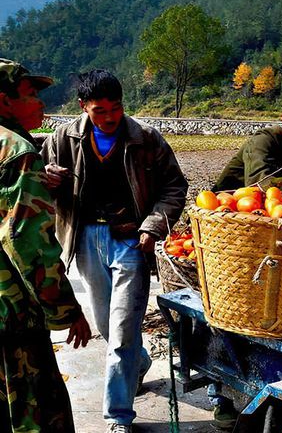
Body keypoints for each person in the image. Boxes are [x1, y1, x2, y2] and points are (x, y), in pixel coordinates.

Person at [41, 69, 188, 433]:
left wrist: (152, 227)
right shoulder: (63, 138)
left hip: (130, 242)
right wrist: (49, 178)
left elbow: (174, 186)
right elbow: (38, 185)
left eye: (116, 109)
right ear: (83, 107)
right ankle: (137, 364)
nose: (109, 118)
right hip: (86, 242)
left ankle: (118, 416)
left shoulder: (146, 139)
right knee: (109, 329)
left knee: (122, 331)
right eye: (99, 111)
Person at [0, 58, 92, 432]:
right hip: (11, 315)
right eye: (31, 94)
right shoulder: (16, 151)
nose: (40, 102)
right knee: (34, 415)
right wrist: (66, 311)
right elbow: (25, 240)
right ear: (4, 102)